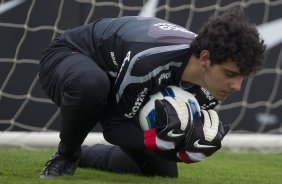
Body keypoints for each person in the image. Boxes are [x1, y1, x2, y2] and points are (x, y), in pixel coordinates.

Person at [38, 8, 266, 179]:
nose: (237, 86)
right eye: (230, 74)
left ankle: (86, 156)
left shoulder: (212, 86)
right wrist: (158, 140)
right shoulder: (150, 60)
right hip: (70, 57)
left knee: (162, 173)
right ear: (205, 59)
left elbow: (161, 140)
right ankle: (66, 156)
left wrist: (185, 152)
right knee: (91, 85)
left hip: (121, 79)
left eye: (242, 77)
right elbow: (115, 127)